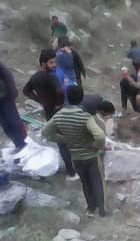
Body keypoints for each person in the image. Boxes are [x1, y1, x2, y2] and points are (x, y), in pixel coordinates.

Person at [42, 85, 107, 217]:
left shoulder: (59, 116)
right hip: (91, 156)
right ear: (81, 98)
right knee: (96, 182)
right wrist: (97, 146)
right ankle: (102, 210)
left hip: (76, 157)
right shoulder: (85, 116)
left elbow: (46, 133)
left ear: (67, 98)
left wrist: (64, 139)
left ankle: (91, 209)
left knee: (85, 183)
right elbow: (100, 136)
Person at [23, 49, 76, 179]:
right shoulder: (51, 77)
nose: (54, 65)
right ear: (43, 64)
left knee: (61, 142)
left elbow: (26, 91)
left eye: (55, 62)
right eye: (51, 63)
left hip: (49, 113)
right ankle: (74, 171)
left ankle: (71, 171)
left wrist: (40, 100)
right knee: (69, 138)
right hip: (60, 112)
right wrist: (59, 103)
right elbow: (60, 91)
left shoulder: (35, 77)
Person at [0, 62, 27, 153]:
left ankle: (23, 142)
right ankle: (17, 144)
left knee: (13, 121)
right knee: (5, 124)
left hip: (5, 96)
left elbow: (7, 74)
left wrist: (12, 90)